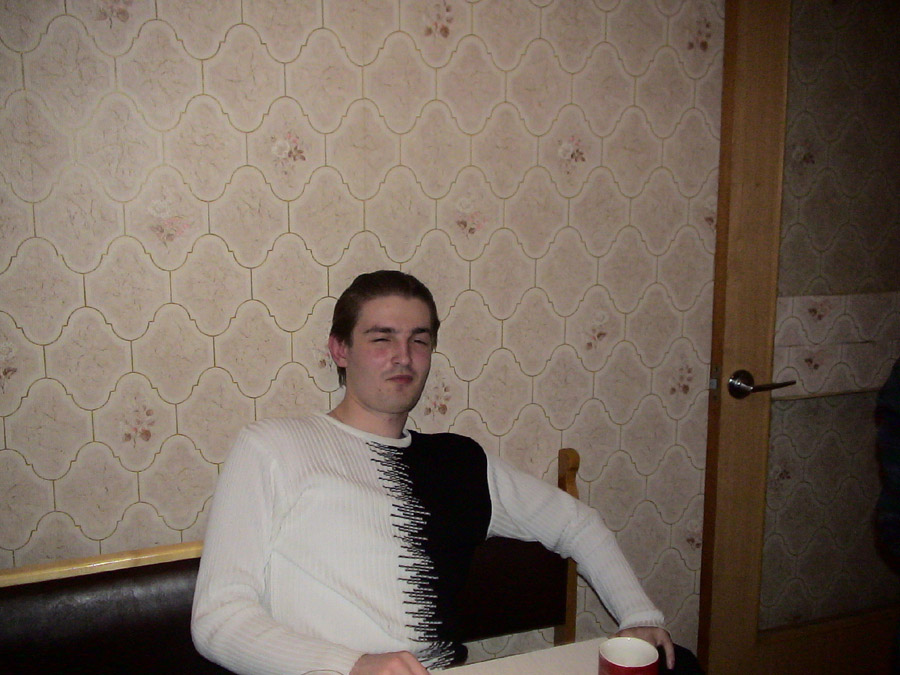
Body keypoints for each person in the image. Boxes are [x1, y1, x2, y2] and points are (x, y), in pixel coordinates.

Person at [191, 270, 676, 675]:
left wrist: (639, 614)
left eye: (418, 340)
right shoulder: (272, 447)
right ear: (340, 350)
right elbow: (219, 620)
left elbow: (576, 522)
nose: (403, 356)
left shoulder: (458, 462)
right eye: (381, 338)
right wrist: (354, 666)